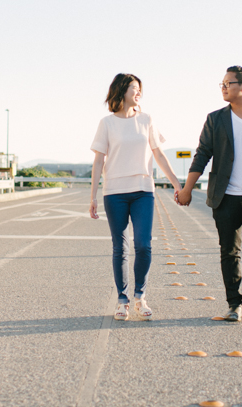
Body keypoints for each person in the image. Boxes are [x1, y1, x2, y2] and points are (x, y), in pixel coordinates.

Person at [176, 66, 242, 322]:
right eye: (222, 84)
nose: (223, 88)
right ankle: (234, 303)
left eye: (228, 83)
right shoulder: (215, 119)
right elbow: (202, 154)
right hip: (224, 196)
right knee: (229, 251)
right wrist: (187, 189)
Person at [89, 73, 183, 321]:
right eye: (134, 88)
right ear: (121, 90)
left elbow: (159, 155)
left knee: (143, 244)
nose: (138, 92)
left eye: (140, 88)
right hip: (114, 193)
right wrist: (93, 196)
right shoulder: (107, 123)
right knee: (120, 247)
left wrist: (177, 185)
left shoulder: (147, 120)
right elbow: (99, 160)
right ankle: (122, 300)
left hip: (143, 190)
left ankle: (140, 296)